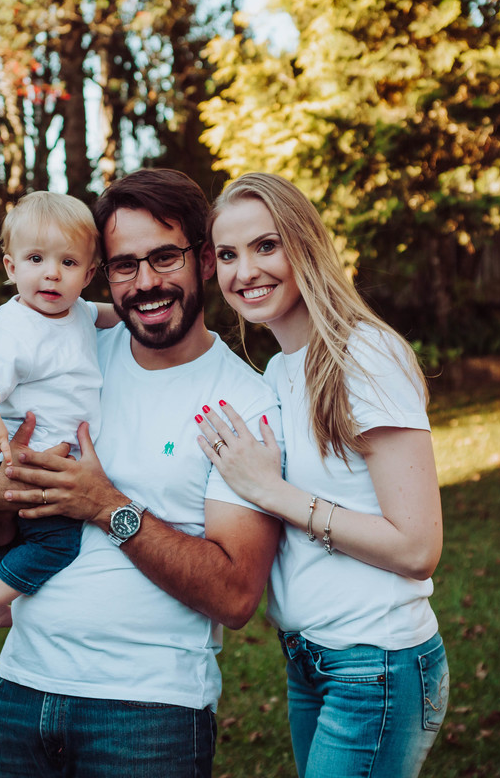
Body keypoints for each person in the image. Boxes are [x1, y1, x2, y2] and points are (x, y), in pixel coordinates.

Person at [0, 168, 283, 777]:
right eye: (125, 265)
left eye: (165, 257)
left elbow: (237, 597)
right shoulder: (70, 350)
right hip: (22, 692)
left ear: (205, 261)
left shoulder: (246, 402)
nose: (147, 282)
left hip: (149, 714)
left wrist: (107, 506)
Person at [194, 173, 448, 778]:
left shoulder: (365, 355)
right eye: (227, 255)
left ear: (305, 245)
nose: (244, 271)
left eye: (265, 245)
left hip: (376, 664)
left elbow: (418, 548)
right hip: (310, 660)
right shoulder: (282, 369)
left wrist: (272, 494)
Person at [0, 190, 119, 659]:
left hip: (45, 459)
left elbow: (108, 314)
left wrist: (134, 309)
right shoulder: (14, 326)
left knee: (28, 537)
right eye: (35, 259)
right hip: (21, 460)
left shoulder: (79, 313)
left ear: (88, 276)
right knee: (57, 543)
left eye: (68, 263)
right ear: (11, 268)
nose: (52, 272)